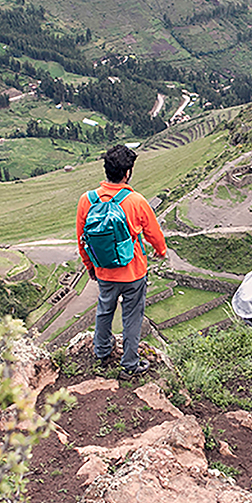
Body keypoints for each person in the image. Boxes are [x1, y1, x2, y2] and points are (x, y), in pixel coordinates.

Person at [76, 145, 167, 378]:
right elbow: (154, 234)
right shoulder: (136, 200)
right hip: (133, 271)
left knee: (104, 309)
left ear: (106, 170)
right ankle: (129, 364)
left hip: (104, 270)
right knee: (132, 315)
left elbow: (82, 239)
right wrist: (161, 250)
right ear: (127, 173)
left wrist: (90, 266)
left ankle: (102, 352)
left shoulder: (87, 200)